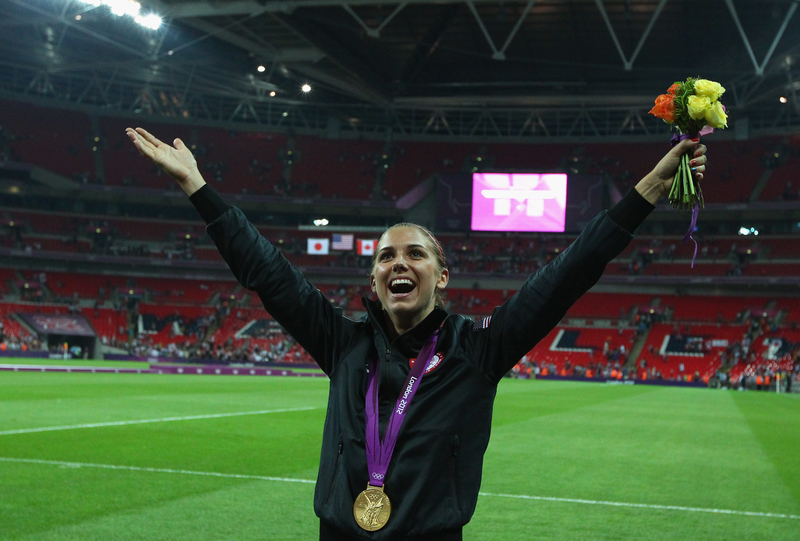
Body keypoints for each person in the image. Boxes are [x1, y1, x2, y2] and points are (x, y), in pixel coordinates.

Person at [126, 127, 707, 541]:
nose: (397, 264)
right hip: (338, 534)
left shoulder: (479, 349)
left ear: (441, 275)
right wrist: (199, 189)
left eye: (414, 254)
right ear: (374, 279)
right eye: (385, 257)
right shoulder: (343, 343)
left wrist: (647, 193)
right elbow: (268, 274)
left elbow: (568, 274)